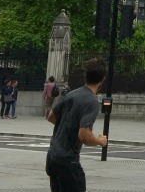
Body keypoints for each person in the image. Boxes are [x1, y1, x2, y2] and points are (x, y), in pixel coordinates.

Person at [46, 58, 108, 192]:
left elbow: (51, 116)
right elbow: (84, 135)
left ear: (85, 75)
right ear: (102, 79)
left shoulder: (71, 94)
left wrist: (67, 126)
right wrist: (100, 141)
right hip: (68, 161)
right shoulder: (92, 102)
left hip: (52, 157)